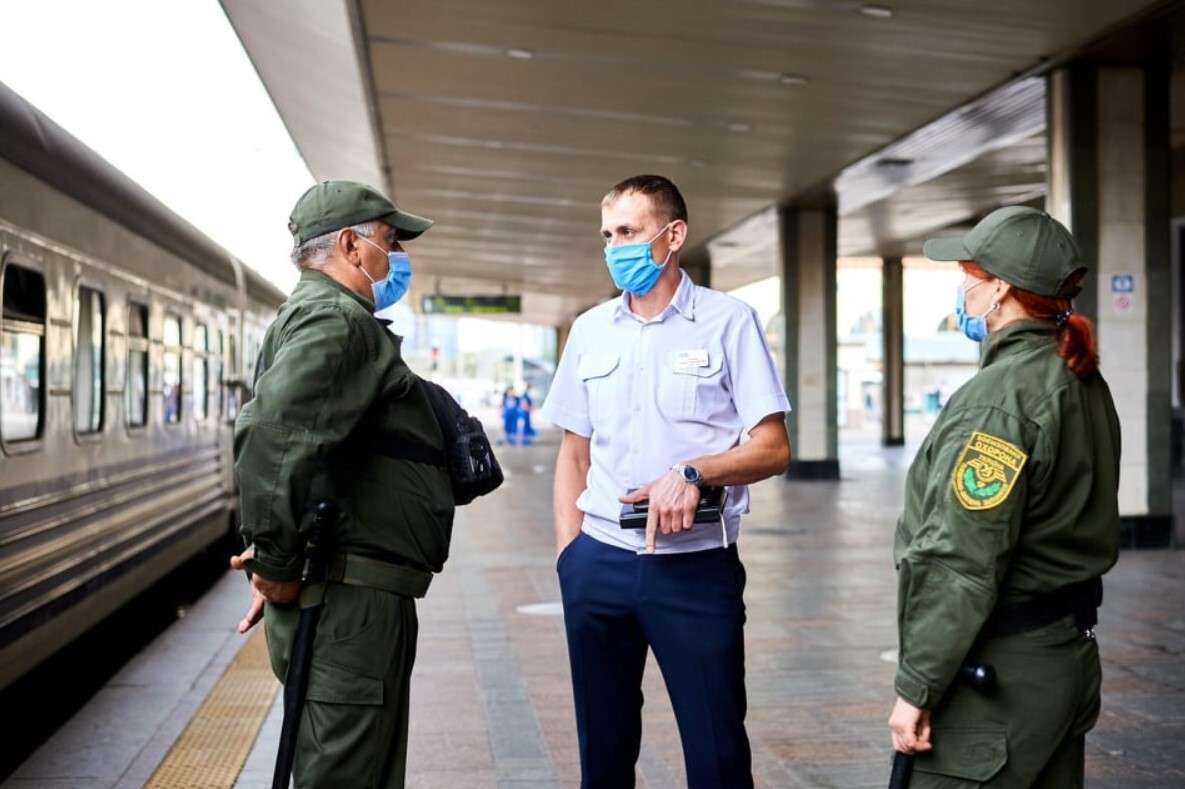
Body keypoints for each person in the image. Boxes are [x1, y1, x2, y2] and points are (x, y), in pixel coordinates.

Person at [541, 174, 791, 788]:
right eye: (607, 235)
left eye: (628, 231)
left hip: (694, 571)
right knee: (603, 753)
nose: (614, 246)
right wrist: (569, 558)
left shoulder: (729, 322)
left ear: (672, 234)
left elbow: (773, 447)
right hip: (598, 563)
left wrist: (694, 472)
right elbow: (574, 453)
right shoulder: (591, 329)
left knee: (717, 756)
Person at [230, 180, 454, 788]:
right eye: (390, 241)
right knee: (346, 777)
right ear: (352, 245)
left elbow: (314, 449)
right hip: (346, 604)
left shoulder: (319, 317)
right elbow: (273, 437)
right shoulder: (337, 321)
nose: (398, 257)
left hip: (343, 593)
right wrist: (276, 563)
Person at [889, 206, 1120, 787]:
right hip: (1064, 656)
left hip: (1000, 674)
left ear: (999, 290)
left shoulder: (999, 401)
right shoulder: (1078, 377)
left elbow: (960, 559)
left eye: (970, 275)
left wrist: (917, 687)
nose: (963, 289)